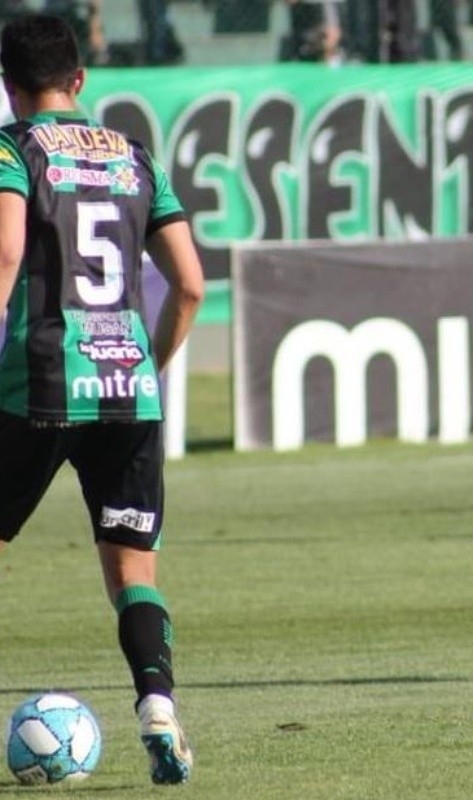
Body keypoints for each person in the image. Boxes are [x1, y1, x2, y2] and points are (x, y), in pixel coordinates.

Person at [0, 13, 204, 781]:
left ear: (9, 87)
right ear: (79, 80)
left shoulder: (11, 150)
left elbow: (7, 250)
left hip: (39, 383)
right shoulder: (133, 156)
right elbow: (189, 284)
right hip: (129, 394)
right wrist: (147, 365)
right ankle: (157, 702)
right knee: (133, 575)